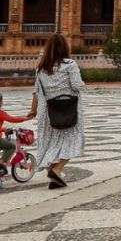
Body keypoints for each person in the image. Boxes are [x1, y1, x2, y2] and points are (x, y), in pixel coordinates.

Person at [28, 33, 85, 189]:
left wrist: (33, 110)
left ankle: (54, 176)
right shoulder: (70, 65)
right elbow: (77, 86)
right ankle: (57, 170)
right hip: (68, 109)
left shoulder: (40, 69)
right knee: (73, 139)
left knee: (48, 143)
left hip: (46, 111)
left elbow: (36, 92)